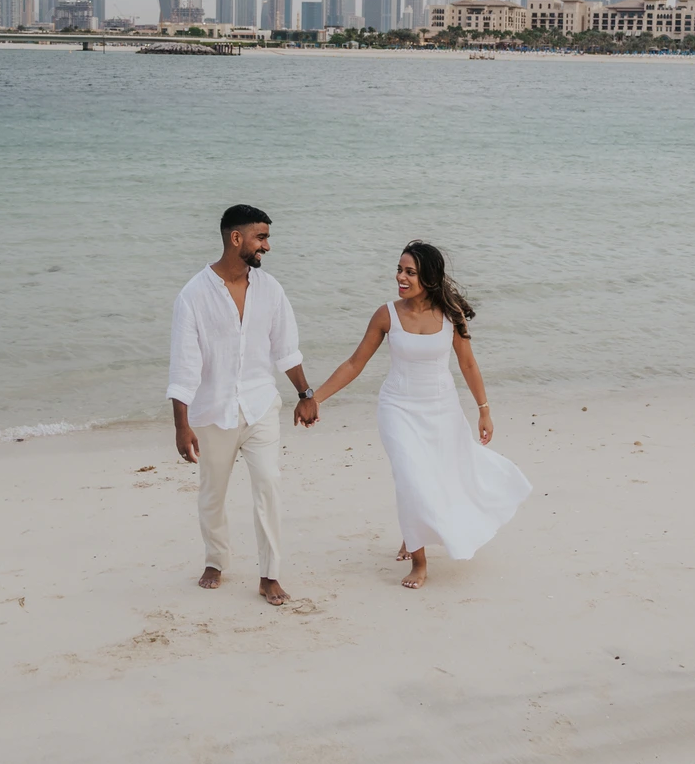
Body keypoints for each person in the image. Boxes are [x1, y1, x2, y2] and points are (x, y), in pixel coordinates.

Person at [297, 240, 529, 587]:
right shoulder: (386, 315)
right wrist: (315, 398)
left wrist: (484, 410)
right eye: (399, 269)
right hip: (398, 408)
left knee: (440, 475)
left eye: (410, 272)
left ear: (430, 278)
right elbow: (354, 363)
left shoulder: (451, 314)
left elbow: (467, 363)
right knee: (410, 477)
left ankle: (412, 531)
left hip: (441, 409)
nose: (400, 277)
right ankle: (419, 563)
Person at [168, 204, 318, 605]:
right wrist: (181, 426)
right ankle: (216, 560)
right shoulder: (193, 296)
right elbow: (183, 368)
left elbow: (286, 350)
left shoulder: (271, 290)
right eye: (261, 237)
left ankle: (270, 574)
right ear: (237, 239)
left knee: (268, 483)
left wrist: (306, 395)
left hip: (260, 405)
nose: (267, 246)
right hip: (214, 412)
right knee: (212, 493)